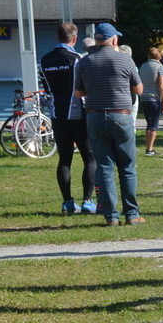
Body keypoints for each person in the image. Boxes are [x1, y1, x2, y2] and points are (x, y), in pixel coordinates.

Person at [73, 22, 145, 225]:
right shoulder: (125, 59)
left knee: (104, 167)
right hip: (121, 116)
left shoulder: (84, 62)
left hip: (95, 116)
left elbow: (78, 93)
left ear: (97, 40)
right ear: (114, 40)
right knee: (127, 166)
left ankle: (111, 216)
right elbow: (138, 90)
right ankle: (132, 214)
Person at [40, 22, 95, 214]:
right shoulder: (77, 58)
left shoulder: (45, 60)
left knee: (64, 159)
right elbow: (85, 85)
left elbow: (47, 89)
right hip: (78, 113)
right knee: (90, 157)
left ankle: (68, 202)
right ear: (74, 39)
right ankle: (88, 201)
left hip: (57, 114)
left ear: (57, 37)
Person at [138, 46, 163, 156]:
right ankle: (149, 149)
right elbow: (161, 86)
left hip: (144, 97)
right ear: (159, 56)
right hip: (154, 98)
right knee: (153, 125)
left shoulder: (143, 66)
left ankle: (148, 147)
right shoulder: (159, 67)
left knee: (149, 123)